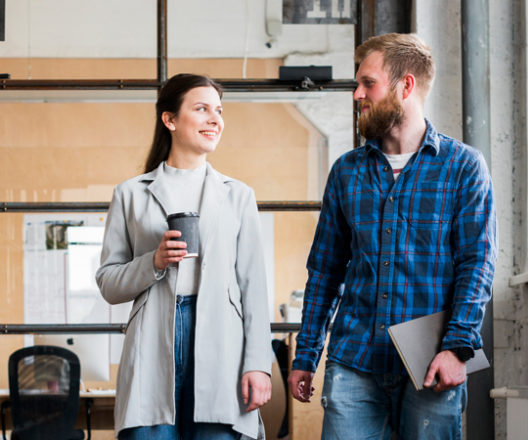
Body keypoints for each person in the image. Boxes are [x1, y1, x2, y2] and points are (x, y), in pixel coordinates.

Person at [288, 33, 497, 439]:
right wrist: (307, 354)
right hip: (353, 363)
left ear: (406, 86)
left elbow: (478, 264)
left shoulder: (464, 167)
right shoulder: (346, 171)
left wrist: (457, 349)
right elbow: (325, 271)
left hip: (431, 362)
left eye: (368, 83)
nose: (356, 95)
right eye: (357, 84)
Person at [96, 73, 272, 440]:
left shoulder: (238, 195)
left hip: (223, 341)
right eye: (201, 109)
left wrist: (258, 365)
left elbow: (253, 287)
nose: (215, 119)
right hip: (153, 340)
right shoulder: (130, 194)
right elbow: (109, 283)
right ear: (170, 119)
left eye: (219, 111)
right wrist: (153, 262)